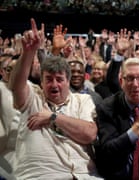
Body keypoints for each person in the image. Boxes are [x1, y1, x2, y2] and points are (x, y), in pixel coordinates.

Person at [8, 18, 102, 179]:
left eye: (59, 79)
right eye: (49, 79)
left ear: (68, 80)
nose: (54, 85)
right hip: (41, 174)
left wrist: (53, 117)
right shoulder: (33, 95)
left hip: (84, 175)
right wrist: (28, 52)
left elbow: (89, 134)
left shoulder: (82, 100)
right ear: (42, 81)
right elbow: (16, 84)